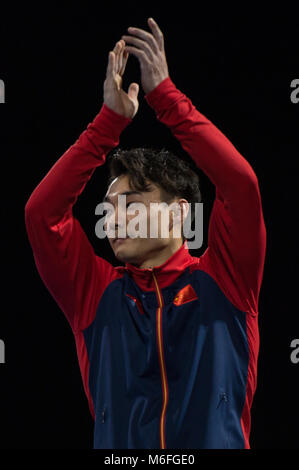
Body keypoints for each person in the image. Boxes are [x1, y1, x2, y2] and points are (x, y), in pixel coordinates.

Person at [25, 17, 266, 449]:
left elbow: (240, 185)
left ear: (178, 213)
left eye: (132, 204)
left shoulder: (225, 279)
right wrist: (106, 125)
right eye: (109, 208)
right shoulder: (94, 292)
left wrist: (166, 100)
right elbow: (41, 213)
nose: (114, 218)